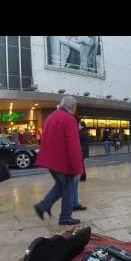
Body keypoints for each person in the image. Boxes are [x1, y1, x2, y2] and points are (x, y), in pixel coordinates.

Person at [34, 96, 83, 226]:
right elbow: (74, 146)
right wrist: (78, 168)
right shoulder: (69, 119)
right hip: (63, 163)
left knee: (61, 186)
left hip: (51, 161)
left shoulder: (51, 116)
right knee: (68, 188)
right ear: (72, 107)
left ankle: (43, 206)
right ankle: (65, 217)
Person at [73, 119, 89, 211]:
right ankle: (75, 204)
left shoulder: (79, 133)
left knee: (73, 184)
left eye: (78, 124)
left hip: (79, 154)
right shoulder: (84, 132)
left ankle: (74, 204)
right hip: (82, 153)